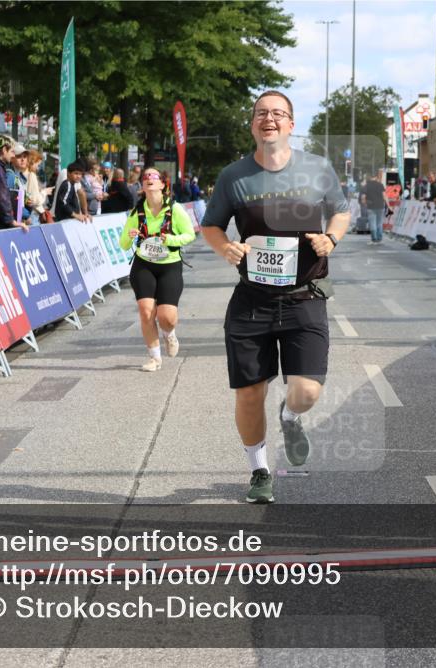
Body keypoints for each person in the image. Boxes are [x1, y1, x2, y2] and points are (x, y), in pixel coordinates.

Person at [200, 91, 350, 504]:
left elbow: (341, 210)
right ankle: (259, 470)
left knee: (307, 391)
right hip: (253, 298)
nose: (270, 119)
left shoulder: (317, 169)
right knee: (249, 392)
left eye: (278, 114)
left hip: (305, 295)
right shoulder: (235, 176)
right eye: (262, 114)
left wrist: (331, 238)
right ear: (252, 124)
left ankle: (290, 416)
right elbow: (210, 225)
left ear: (291, 123)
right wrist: (225, 246)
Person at [120, 167, 197, 372]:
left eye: (154, 176)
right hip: (143, 264)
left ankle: (169, 335)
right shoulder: (138, 212)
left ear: (163, 184)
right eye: (146, 177)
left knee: (166, 317)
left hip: (169, 265)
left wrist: (170, 239)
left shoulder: (175, 209)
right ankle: (154, 358)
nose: (149, 179)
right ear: (142, 186)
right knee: (146, 312)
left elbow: (190, 235)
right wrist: (131, 235)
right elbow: (123, 244)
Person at [362, 172, 386, 244]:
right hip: (380, 206)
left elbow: (363, 197)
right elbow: (384, 195)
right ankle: (379, 238)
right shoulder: (380, 185)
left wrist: (365, 204)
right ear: (376, 177)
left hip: (371, 206)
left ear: (370, 178)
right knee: (379, 223)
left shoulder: (366, 186)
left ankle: (374, 238)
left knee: (372, 223)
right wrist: (388, 205)